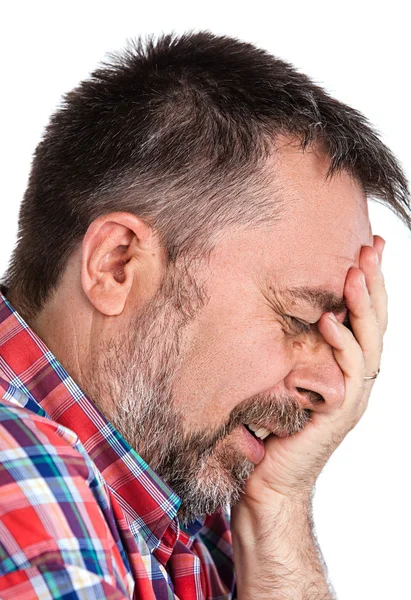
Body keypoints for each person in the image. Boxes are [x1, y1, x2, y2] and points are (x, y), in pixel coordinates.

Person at [0, 30, 409, 600]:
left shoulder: (180, 503)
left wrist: (279, 512)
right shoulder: (21, 480)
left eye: (341, 329)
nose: (334, 388)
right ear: (117, 265)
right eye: (298, 318)